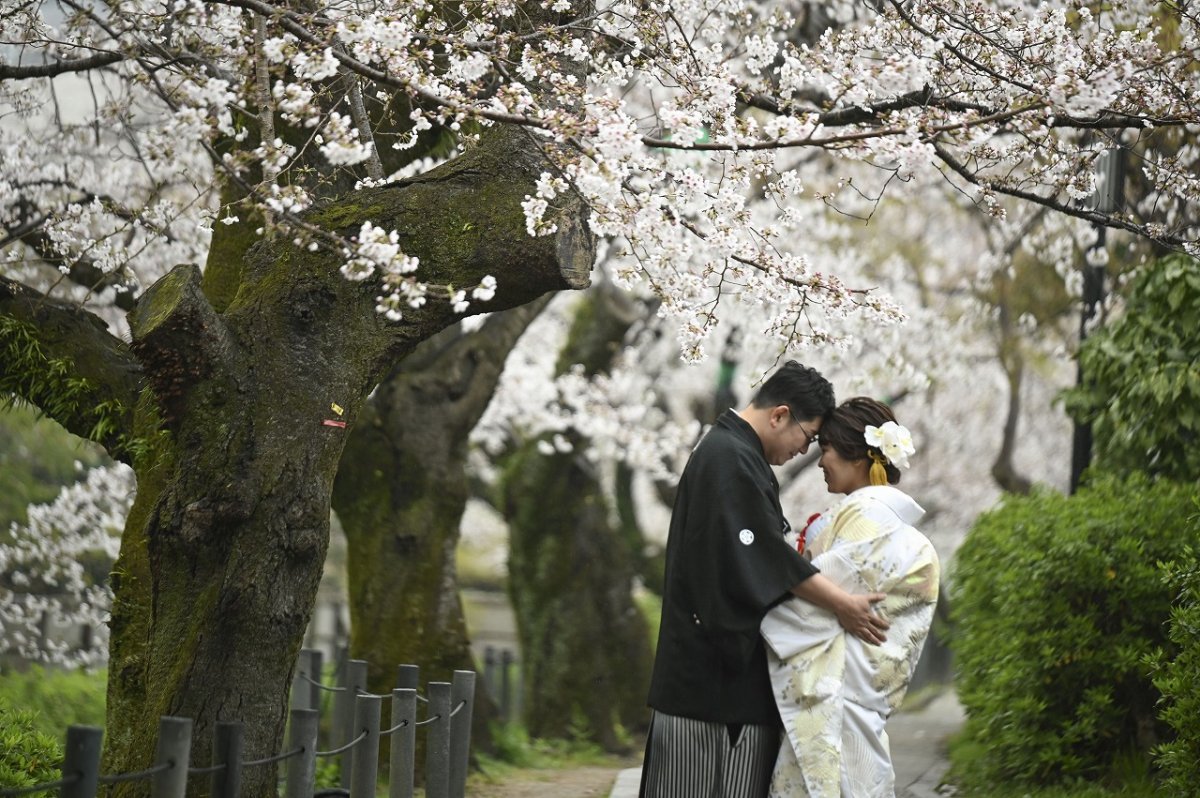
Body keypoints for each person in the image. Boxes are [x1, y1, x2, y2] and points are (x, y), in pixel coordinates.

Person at [639, 363, 891, 798]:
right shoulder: (729, 457)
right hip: (710, 688)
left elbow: (759, 553)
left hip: (716, 682)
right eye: (807, 437)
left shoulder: (735, 454)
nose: (805, 452)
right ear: (779, 415)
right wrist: (840, 602)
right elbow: (760, 555)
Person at [761, 397, 940, 798]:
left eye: (825, 448)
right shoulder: (871, 515)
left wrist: (772, 565)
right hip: (850, 694)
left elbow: (804, 595)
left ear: (858, 455)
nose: (818, 460)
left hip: (839, 694)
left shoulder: (871, 517)